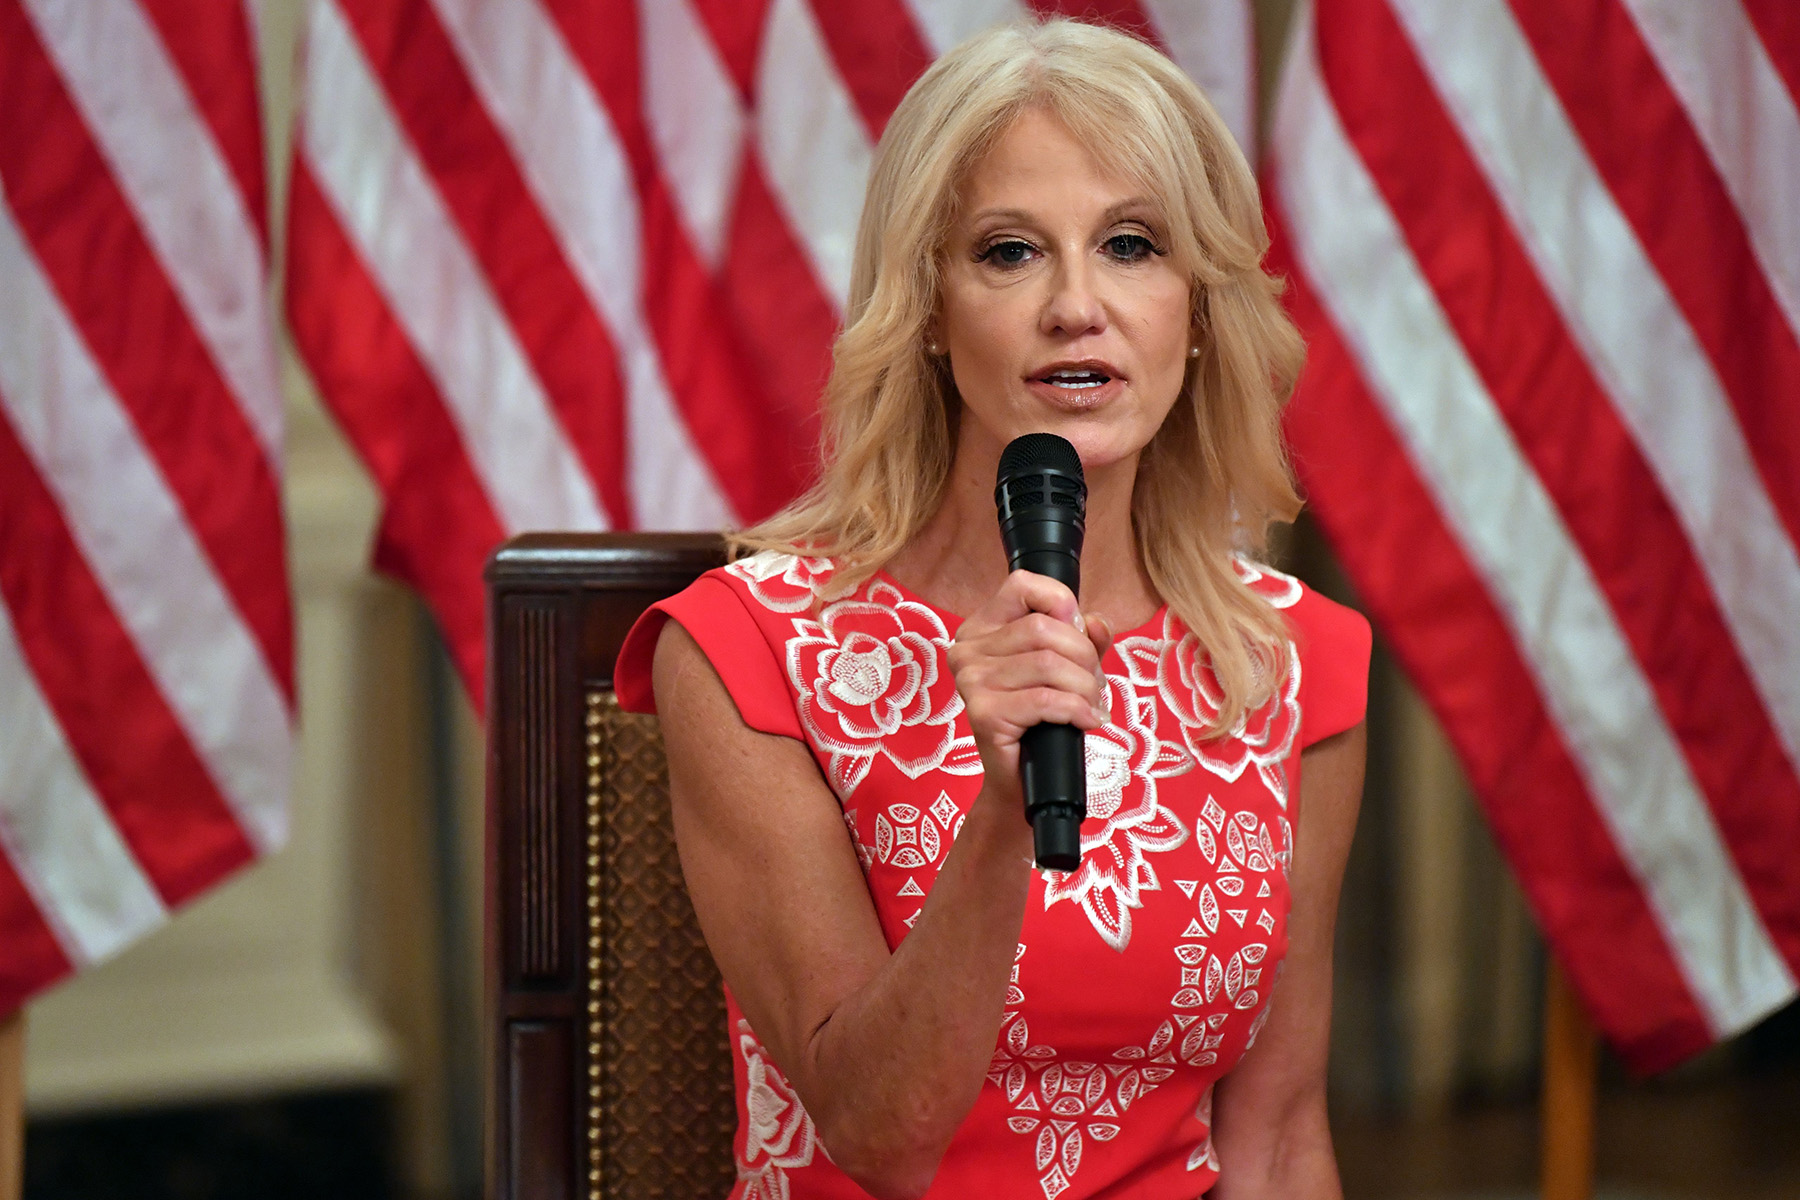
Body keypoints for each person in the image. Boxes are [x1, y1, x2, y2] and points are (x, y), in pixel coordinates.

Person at [615, 17, 1370, 1200]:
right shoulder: (747, 652)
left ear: (1199, 307)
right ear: (925, 308)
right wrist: (1004, 817)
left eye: (1131, 245)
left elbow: (1275, 1140)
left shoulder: (1290, 661)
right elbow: (880, 1132)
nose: (1078, 305)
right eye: (1010, 253)